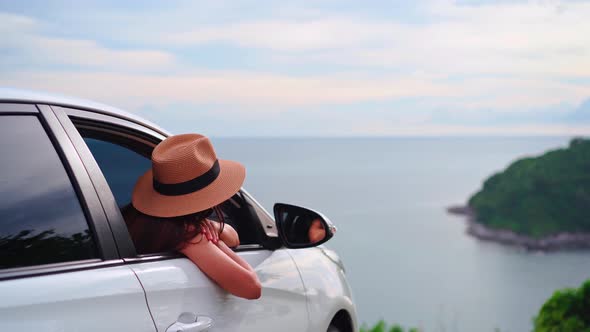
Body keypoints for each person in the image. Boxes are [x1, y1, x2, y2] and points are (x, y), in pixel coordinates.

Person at [126, 133, 261, 300]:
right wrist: (210, 240)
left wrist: (215, 227)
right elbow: (251, 288)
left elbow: (234, 238)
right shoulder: (186, 236)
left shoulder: (137, 220)